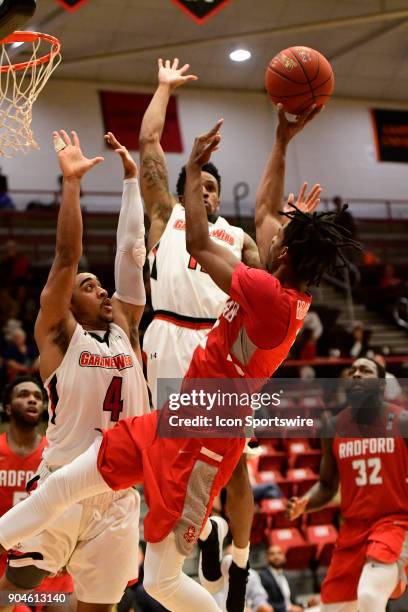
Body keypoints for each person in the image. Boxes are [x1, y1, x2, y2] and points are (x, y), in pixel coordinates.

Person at [0, 114, 358, 612]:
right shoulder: (286, 288)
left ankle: (234, 556)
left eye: (281, 236)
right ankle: (214, 541)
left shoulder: (266, 292)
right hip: (182, 412)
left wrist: (191, 167)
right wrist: (280, 138)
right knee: (64, 494)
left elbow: (200, 239)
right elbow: (266, 209)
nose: (271, 231)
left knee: (161, 581)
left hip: (204, 432)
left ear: (285, 254)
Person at [0, 130, 149, 612]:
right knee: (17, 582)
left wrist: (130, 182)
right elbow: (67, 256)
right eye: (90, 285)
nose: (103, 291)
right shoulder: (60, 336)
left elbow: (131, 254)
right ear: (70, 299)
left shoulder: (127, 328)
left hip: (120, 494)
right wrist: (71, 184)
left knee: (98, 608)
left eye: (102, 285)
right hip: (64, 481)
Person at [139, 57, 260, 605]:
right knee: (166, 459)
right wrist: (163, 90)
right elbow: (147, 149)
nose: (206, 193)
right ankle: (201, 531)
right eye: (198, 185)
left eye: (212, 188)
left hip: (218, 350)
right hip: (166, 336)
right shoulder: (166, 217)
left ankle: (238, 561)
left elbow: (269, 303)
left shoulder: (240, 239)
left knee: (231, 467)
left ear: (219, 198)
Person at [287, 357, 408, 612]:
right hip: (353, 529)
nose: (355, 375)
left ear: (380, 385)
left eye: (365, 371)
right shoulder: (333, 426)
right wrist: (305, 502)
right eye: (351, 371)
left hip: (394, 522)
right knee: (334, 608)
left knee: (369, 595)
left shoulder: (402, 421)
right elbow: (327, 485)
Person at [0, 376, 74, 610]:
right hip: (5, 572)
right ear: (7, 408)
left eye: (38, 397)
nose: (32, 400)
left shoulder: (55, 456)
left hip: (51, 571)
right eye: (23, 395)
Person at [258, 545, 306, 612]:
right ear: (267, 558)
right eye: (272, 554)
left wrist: (306, 605)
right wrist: (288, 608)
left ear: (284, 557)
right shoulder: (262, 576)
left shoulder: (288, 576)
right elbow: (263, 604)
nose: (276, 557)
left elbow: (292, 603)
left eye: (279, 553)